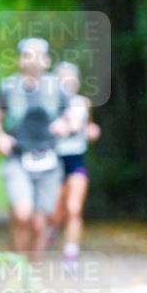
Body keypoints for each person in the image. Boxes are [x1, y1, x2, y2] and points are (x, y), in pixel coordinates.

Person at [0, 38, 73, 255]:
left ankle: (33, 269)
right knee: (22, 214)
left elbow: (73, 115)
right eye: (27, 55)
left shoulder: (58, 89)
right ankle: (18, 265)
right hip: (17, 158)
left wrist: (65, 124)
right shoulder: (7, 87)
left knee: (39, 222)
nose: (33, 60)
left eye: (38, 55)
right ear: (20, 60)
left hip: (49, 160)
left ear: (47, 60)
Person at [50, 61, 100, 265]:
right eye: (63, 79)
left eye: (72, 79)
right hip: (53, 163)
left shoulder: (83, 103)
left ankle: (71, 254)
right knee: (55, 214)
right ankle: (51, 232)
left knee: (74, 209)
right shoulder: (49, 104)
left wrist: (91, 131)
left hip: (76, 160)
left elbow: (88, 127)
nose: (68, 83)